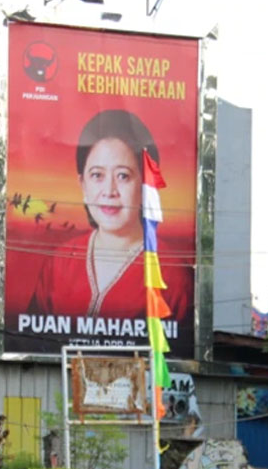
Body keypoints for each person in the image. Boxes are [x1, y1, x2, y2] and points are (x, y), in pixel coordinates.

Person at [19, 109, 193, 322]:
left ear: (145, 185)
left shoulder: (172, 274)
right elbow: (33, 341)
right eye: (97, 175)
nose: (110, 191)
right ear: (82, 184)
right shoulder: (60, 263)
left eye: (123, 176)